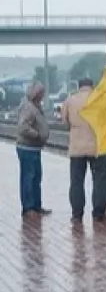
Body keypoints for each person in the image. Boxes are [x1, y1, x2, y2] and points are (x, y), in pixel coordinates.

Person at [62, 77, 106, 220]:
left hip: (77, 147)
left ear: (79, 86)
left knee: (76, 181)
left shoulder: (70, 100)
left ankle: (77, 213)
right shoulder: (100, 99)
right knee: (99, 179)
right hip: (98, 146)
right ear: (92, 86)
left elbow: (65, 122)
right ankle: (99, 212)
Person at [16, 81, 49, 216]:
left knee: (36, 177)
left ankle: (36, 205)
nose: (43, 95)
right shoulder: (28, 108)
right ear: (35, 94)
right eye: (41, 92)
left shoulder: (37, 107)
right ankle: (28, 207)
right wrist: (37, 135)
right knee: (28, 177)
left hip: (35, 148)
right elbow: (23, 127)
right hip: (27, 147)